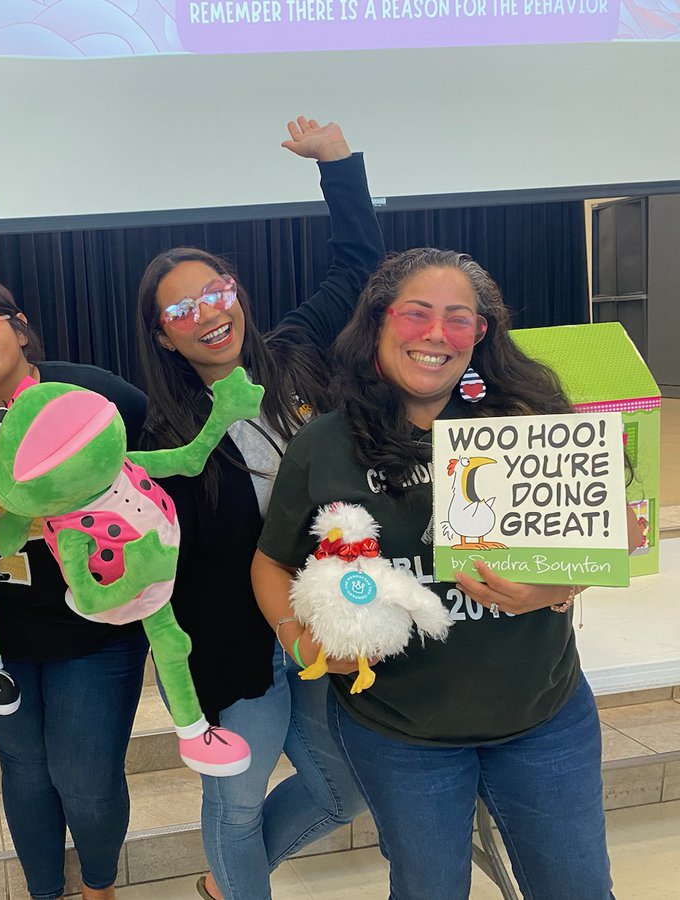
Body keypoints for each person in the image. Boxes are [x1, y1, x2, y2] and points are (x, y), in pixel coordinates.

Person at [252, 247, 615, 898]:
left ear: (480, 334)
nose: (435, 334)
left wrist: (555, 586)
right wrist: (295, 635)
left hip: (542, 716)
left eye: (458, 319)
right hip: (400, 732)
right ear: (379, 322)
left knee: (578, 888)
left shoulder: (525, 419)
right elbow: (272, 560)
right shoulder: (324, 443)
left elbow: (584, 551)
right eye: (417, 313)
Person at [134, 117, 383, 900]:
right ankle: (239, 884)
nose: (209, 312)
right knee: (235, 804)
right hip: (237, 650)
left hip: (317, 623)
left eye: (217, 291)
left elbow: (359, 266)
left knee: (343, 791)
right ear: (166, 338)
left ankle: (225, 883)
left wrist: (337, 165)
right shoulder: (162, 434)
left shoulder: (299, 352)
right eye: (183, 309)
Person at [0, 277, 149, 900]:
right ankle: (45, 892)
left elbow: (140, 427)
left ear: (18, 326)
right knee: (25, 771)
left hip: (95, 632)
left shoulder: (86, 392)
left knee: (87, 780)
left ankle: (100, 887)